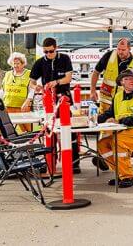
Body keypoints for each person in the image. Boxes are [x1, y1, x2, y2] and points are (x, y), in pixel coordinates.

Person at [29, 37, 80, 172]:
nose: (48, 54)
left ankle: (74, 163)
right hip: (49, 102)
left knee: (70, 131)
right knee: (50, 131)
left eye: (50, 51)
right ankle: (51, 163)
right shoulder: (40, 62)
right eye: (45, 52)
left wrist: (56, 82)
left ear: (56, 48)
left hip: (64, 99)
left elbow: (68, 78)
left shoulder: (64, 59)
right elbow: (31, 82)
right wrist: (37, 88)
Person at [95, 69, 133, 188]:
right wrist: (95, 119)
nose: (132, 81)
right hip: (124, 131)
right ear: (121, 82)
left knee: (118, 142)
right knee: (102, 143)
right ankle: (120, 173)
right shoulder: (118, 96)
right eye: (128, 79)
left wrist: (119, 121)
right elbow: (110, 113)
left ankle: (127, 177)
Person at [90, 37, 133, 114]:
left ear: (129, 49)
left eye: (123, 50)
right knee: (104, 121)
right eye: (118, 49)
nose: (120, 52)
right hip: (106, 100)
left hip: (124, 101)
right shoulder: (109, 56)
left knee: (121, 121)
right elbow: (96, 73)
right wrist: (92, 90)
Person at [0, 52, 34, 132]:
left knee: (27, 130)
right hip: (8, 106)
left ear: (23, 63)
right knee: (7, 129)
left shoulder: (29, 74)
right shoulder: (7, 74)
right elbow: (3, 89)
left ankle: (29, 143)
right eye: (13, 63)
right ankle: (10, 142)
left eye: (17, 63)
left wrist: (28, 100)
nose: (15, 66)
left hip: (22, 107)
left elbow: (32, 89)